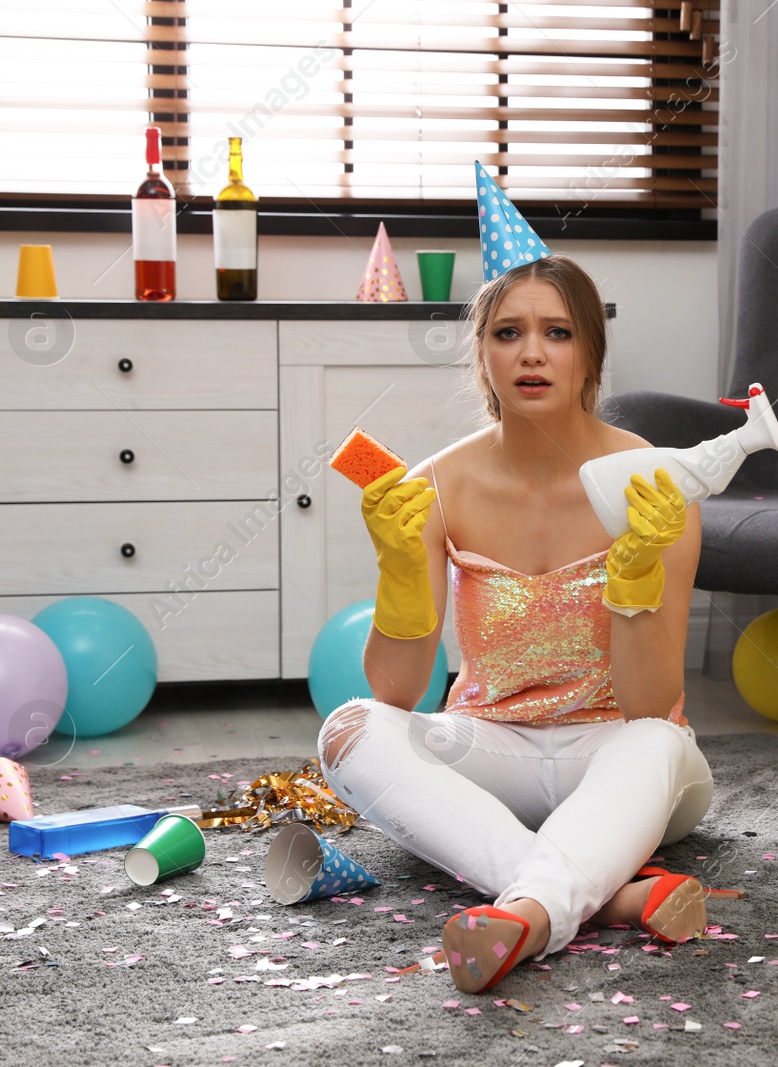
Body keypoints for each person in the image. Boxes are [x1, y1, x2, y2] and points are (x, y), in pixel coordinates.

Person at [318, 252, 720, 995]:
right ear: (482, 355)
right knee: (348, 727)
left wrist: (632, 581)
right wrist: (401, 571)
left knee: (659, 738)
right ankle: (604, 896)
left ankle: (530, 910)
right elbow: (397, 694)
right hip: (493, 749)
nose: (532, 352)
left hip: (627, 756)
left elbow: (650, 705)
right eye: (508, 333)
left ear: (592, 354)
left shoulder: (656, 484)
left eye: (558, 332)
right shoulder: (435, 482)